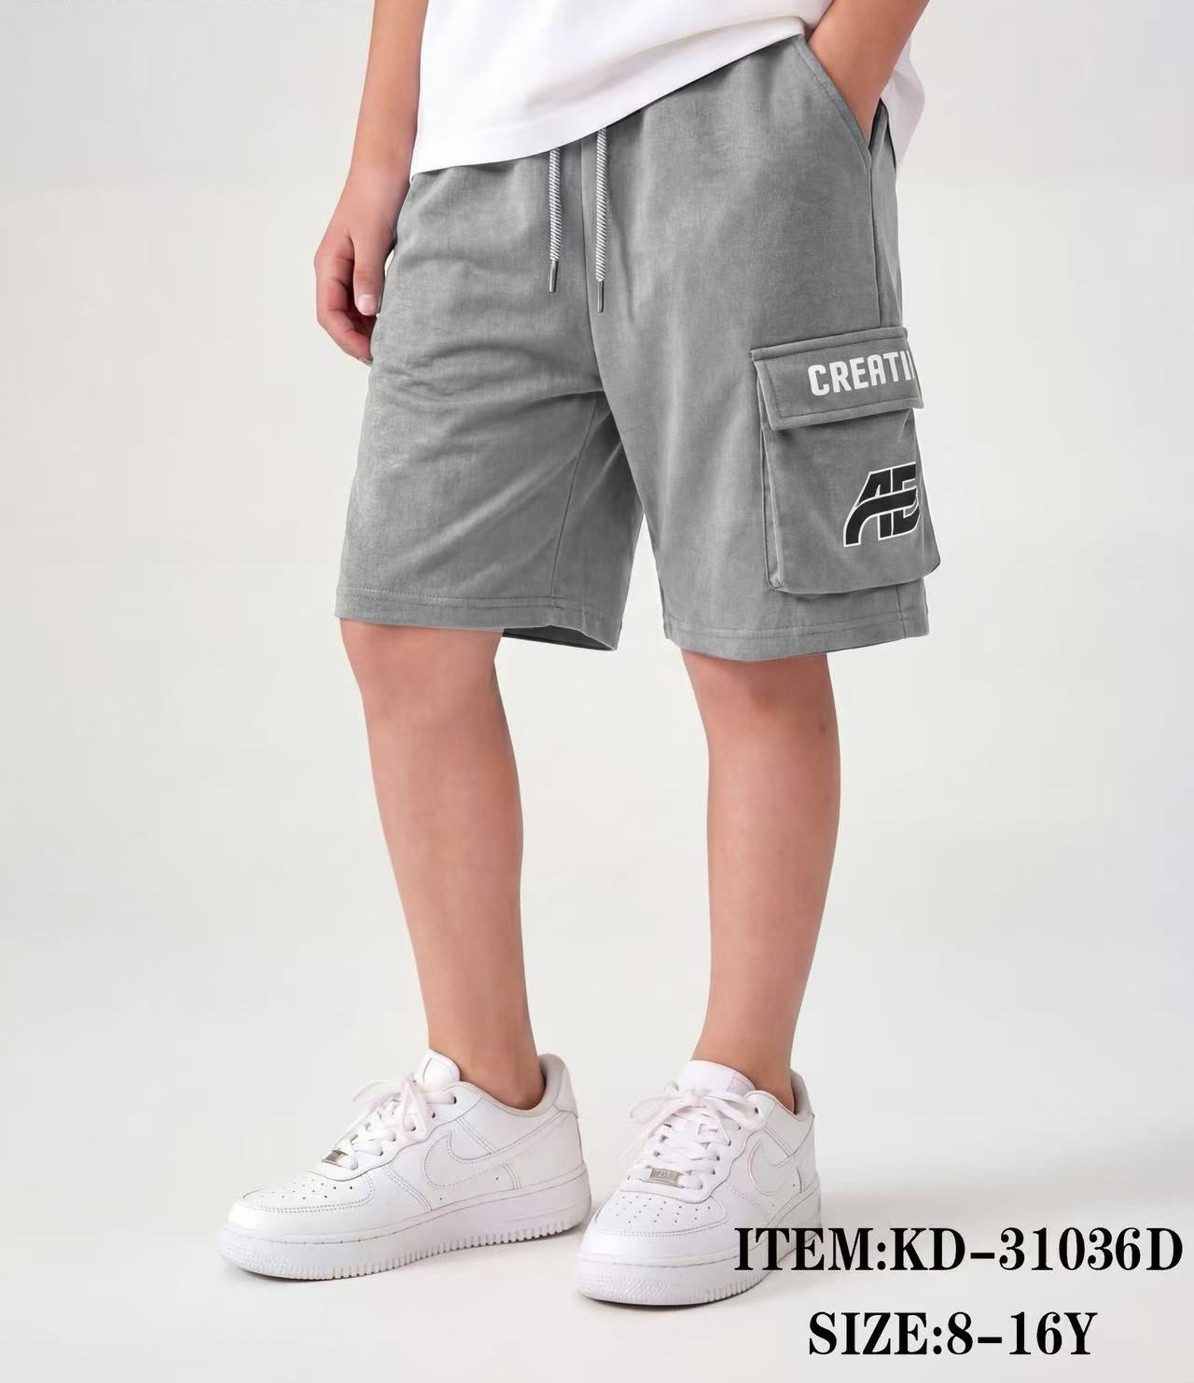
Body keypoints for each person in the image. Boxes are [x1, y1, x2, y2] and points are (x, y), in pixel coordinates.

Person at [219, 0, 938, 1306]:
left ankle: (748, 1099)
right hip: (476, 145)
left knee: (751, 636)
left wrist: (830, 89)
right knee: (403, 625)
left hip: (739, 98)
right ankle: (488, 1104)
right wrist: (384, 145)